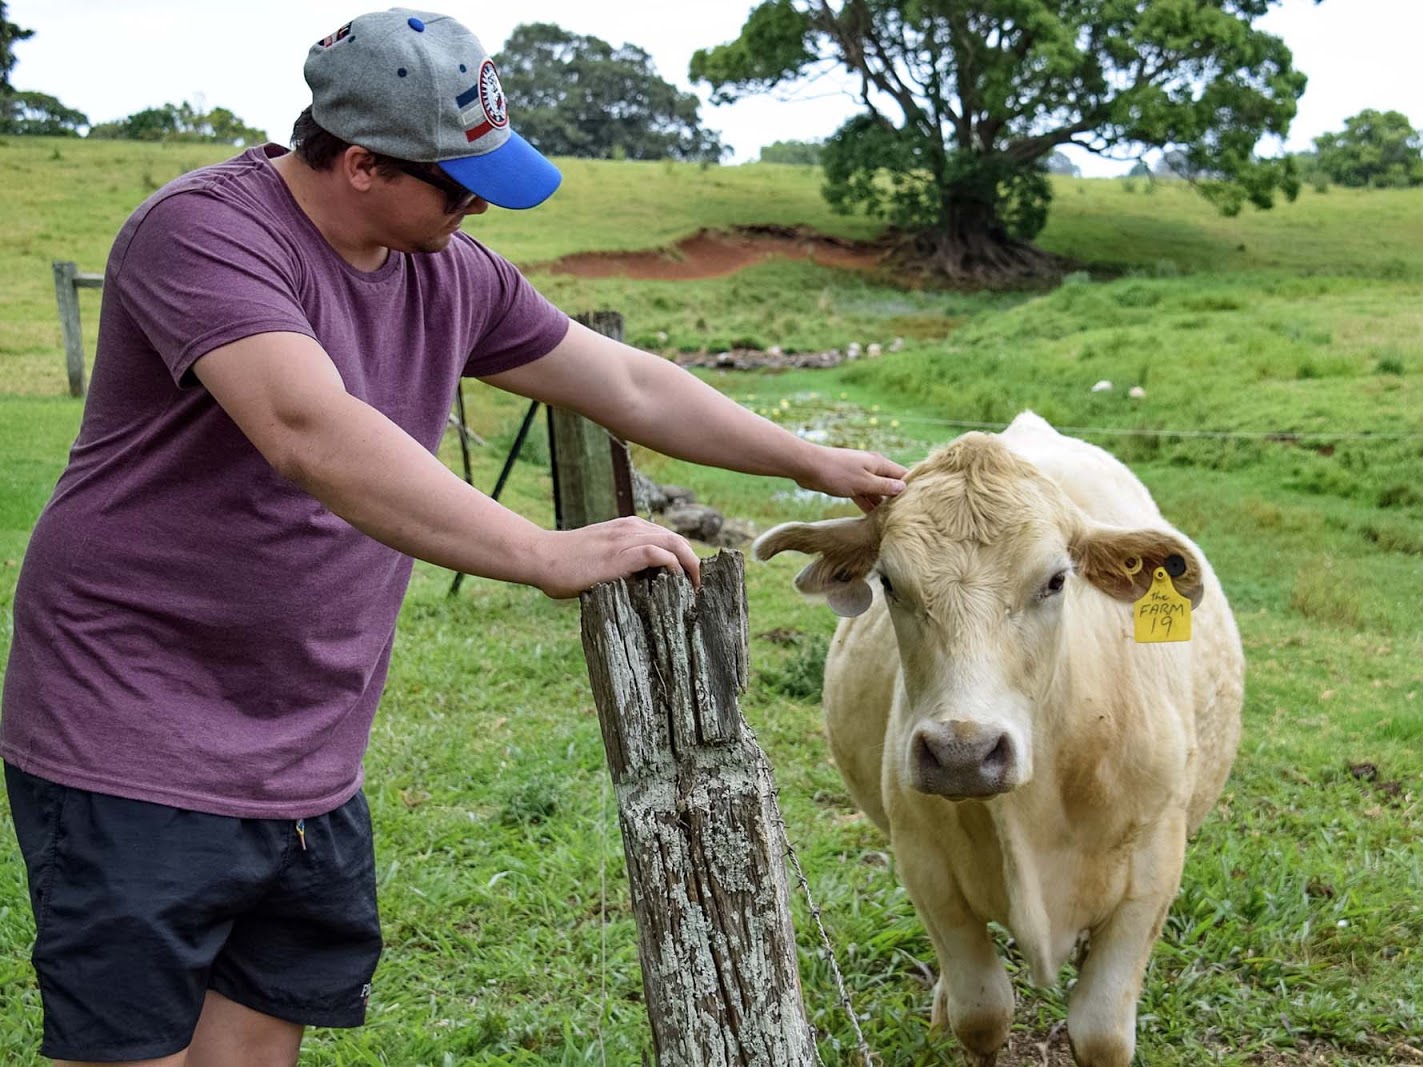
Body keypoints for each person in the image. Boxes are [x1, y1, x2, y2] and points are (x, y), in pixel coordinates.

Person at [0, 9, 907, 1066]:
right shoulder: (204, 232)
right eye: (457, 184)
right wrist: (543, 550)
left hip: (308, 749)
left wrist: (813, 460)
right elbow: (306, 429)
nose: (478, 206)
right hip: (134, 724)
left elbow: (623, 382)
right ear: (359, 164)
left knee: (251, 1050)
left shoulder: (446, 269)